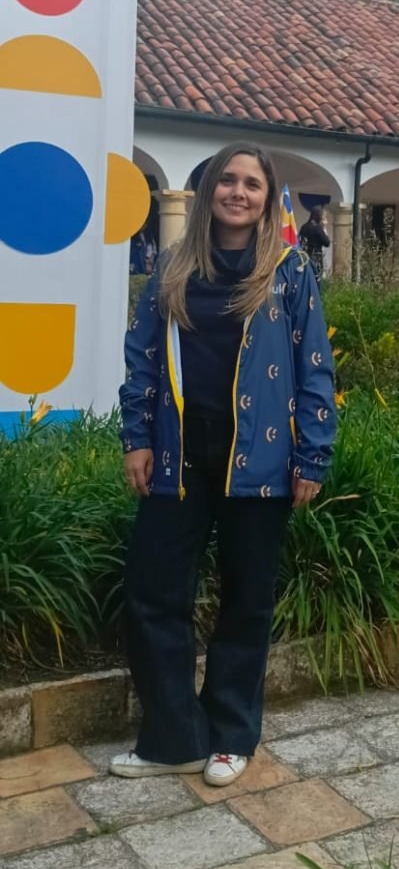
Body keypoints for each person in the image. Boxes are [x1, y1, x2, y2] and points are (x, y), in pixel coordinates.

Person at [112, 145, 336, 788]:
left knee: (246, 598)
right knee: (153, 593)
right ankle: (174, 738)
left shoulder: (289, 271)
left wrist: (312, 453)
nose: (239, 193)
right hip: (177, 456)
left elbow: (315, 368)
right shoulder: (172, 268)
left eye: (253, 184)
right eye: (229, 181)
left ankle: (232, 734)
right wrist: (136, 437)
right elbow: (142, 357)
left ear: (268, 199)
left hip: (259, 460)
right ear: (210, 188)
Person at [299, 205, 331, 283]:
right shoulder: (318, 229)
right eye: (323, 217)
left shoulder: (304, 227)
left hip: (304, 257)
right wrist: (324, 228)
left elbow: (300, 240)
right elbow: (327, 243)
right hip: (316, 258)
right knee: (315, 280)